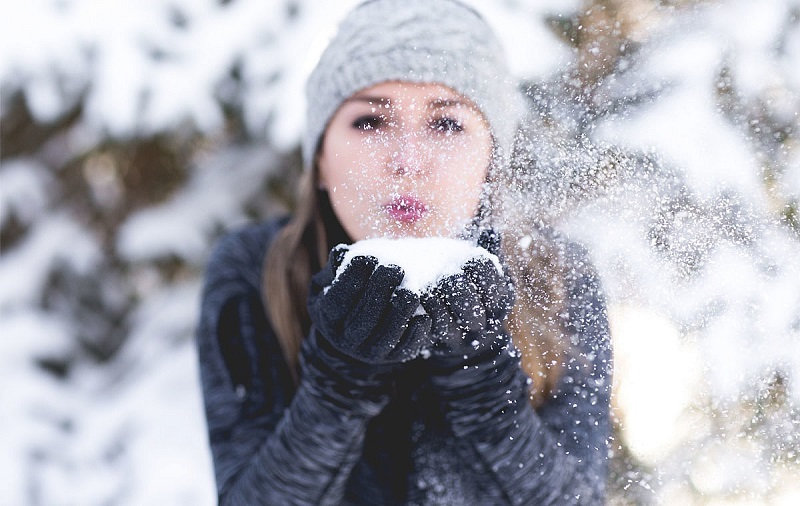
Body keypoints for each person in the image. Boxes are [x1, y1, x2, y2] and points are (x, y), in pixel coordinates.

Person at [196, 0, 613, 504]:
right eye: (371, 121)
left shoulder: (556, 277)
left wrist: (482, 383)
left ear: (490, 159)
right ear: (321, 158)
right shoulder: (256, 274)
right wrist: (337, 385)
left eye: (446, 124)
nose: (408, 161)